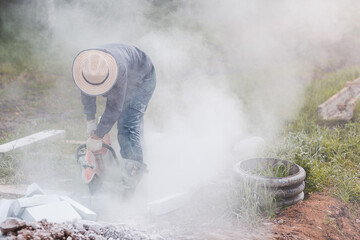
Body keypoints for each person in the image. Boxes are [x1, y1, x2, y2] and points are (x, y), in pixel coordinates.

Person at [72, 43, 156, 189]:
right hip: (125, 75)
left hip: (143, 78)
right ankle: (116, 166)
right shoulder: (89, 67)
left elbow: (114, 108)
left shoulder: (118, 68)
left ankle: (133, 175)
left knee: (127, 124)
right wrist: (90, 120)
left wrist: (97, 136)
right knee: (118, 125)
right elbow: (87, 94)